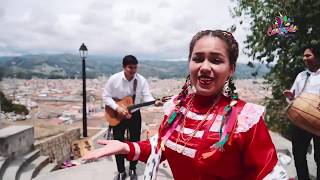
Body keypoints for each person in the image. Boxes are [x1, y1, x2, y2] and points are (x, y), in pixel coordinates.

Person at [84, 30, 285, 179]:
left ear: (231, 69)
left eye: (216, 60)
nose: (205, 67)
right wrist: (126, 147)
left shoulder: (244, 119)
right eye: (197, 59)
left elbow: (266, 172)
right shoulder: (176, 109)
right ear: (189, 63)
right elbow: (161, 145)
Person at [102, 55, 162, 180]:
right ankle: (121, 171)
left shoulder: (141, 80)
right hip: (117, 114)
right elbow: (106, 96)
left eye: (135, 68)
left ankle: (133, 168)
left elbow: (147, 96)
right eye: (130, 68)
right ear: (124, 67)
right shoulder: (114, 79)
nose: (133, 71)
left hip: (134, 114)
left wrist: (154, 102)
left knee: (135, 142)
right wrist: (117, 108)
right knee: (117, 142)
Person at [283, 44, 320, 180]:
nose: (305, 58)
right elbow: (294, 98)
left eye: (308, 55)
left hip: (318, 122)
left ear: (317, 57)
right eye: (304, 56)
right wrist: (291, 97)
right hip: (301, 121)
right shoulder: (301, 76)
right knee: (298, 154)